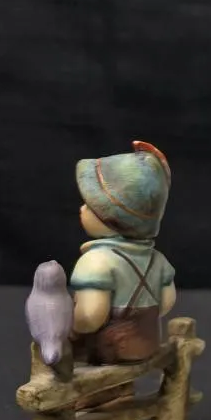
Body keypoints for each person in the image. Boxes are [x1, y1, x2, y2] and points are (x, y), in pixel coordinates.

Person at [69, 141, 176, 365]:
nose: (82, 208)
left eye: (90, 205)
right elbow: (166, 303)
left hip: (106, 352)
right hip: (147, 344)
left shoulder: (95, 261)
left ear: (112, 219)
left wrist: (70, 326)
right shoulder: (158, 259)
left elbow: (91, 316)